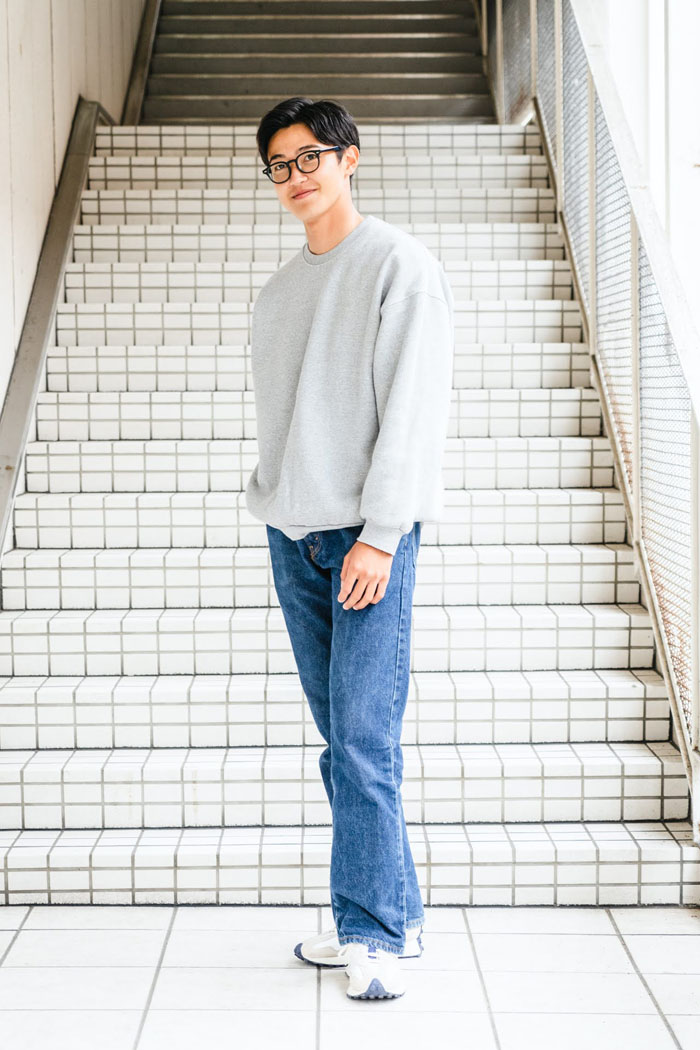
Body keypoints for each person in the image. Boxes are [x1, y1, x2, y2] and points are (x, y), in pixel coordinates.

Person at [245, 96, 455, 1000]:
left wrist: (381, 534)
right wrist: (282, 510)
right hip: (294, 535)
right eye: (279, 165)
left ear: (350, 158)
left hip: (369, 537)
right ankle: (393, 914)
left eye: (311, 158)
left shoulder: (398, 264)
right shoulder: (278, 293)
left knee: (364, 740)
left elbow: (413, 407)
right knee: (343, 740)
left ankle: (369, 935)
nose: (296, 177)